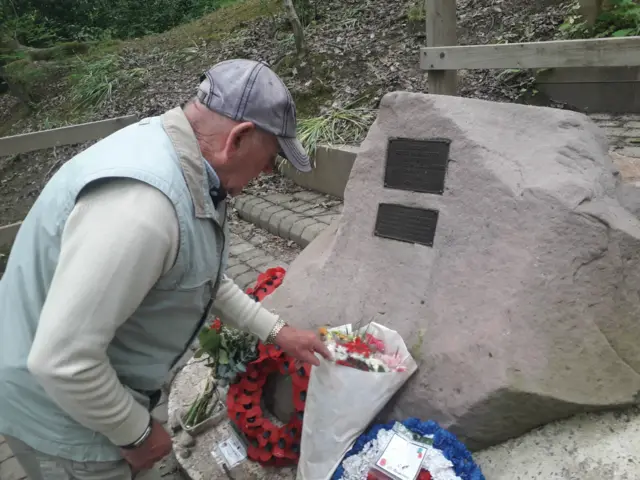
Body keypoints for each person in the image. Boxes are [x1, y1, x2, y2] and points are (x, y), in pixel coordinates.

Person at [0, 58, 332, 480]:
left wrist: (279, 333)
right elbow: (61, 361)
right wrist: (136, 433)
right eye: (270, 158)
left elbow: (200, 275)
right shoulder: (144, 209)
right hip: (63, 423)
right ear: (240, 137)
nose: (267, 173)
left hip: (80, 395)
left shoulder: (186, 165)